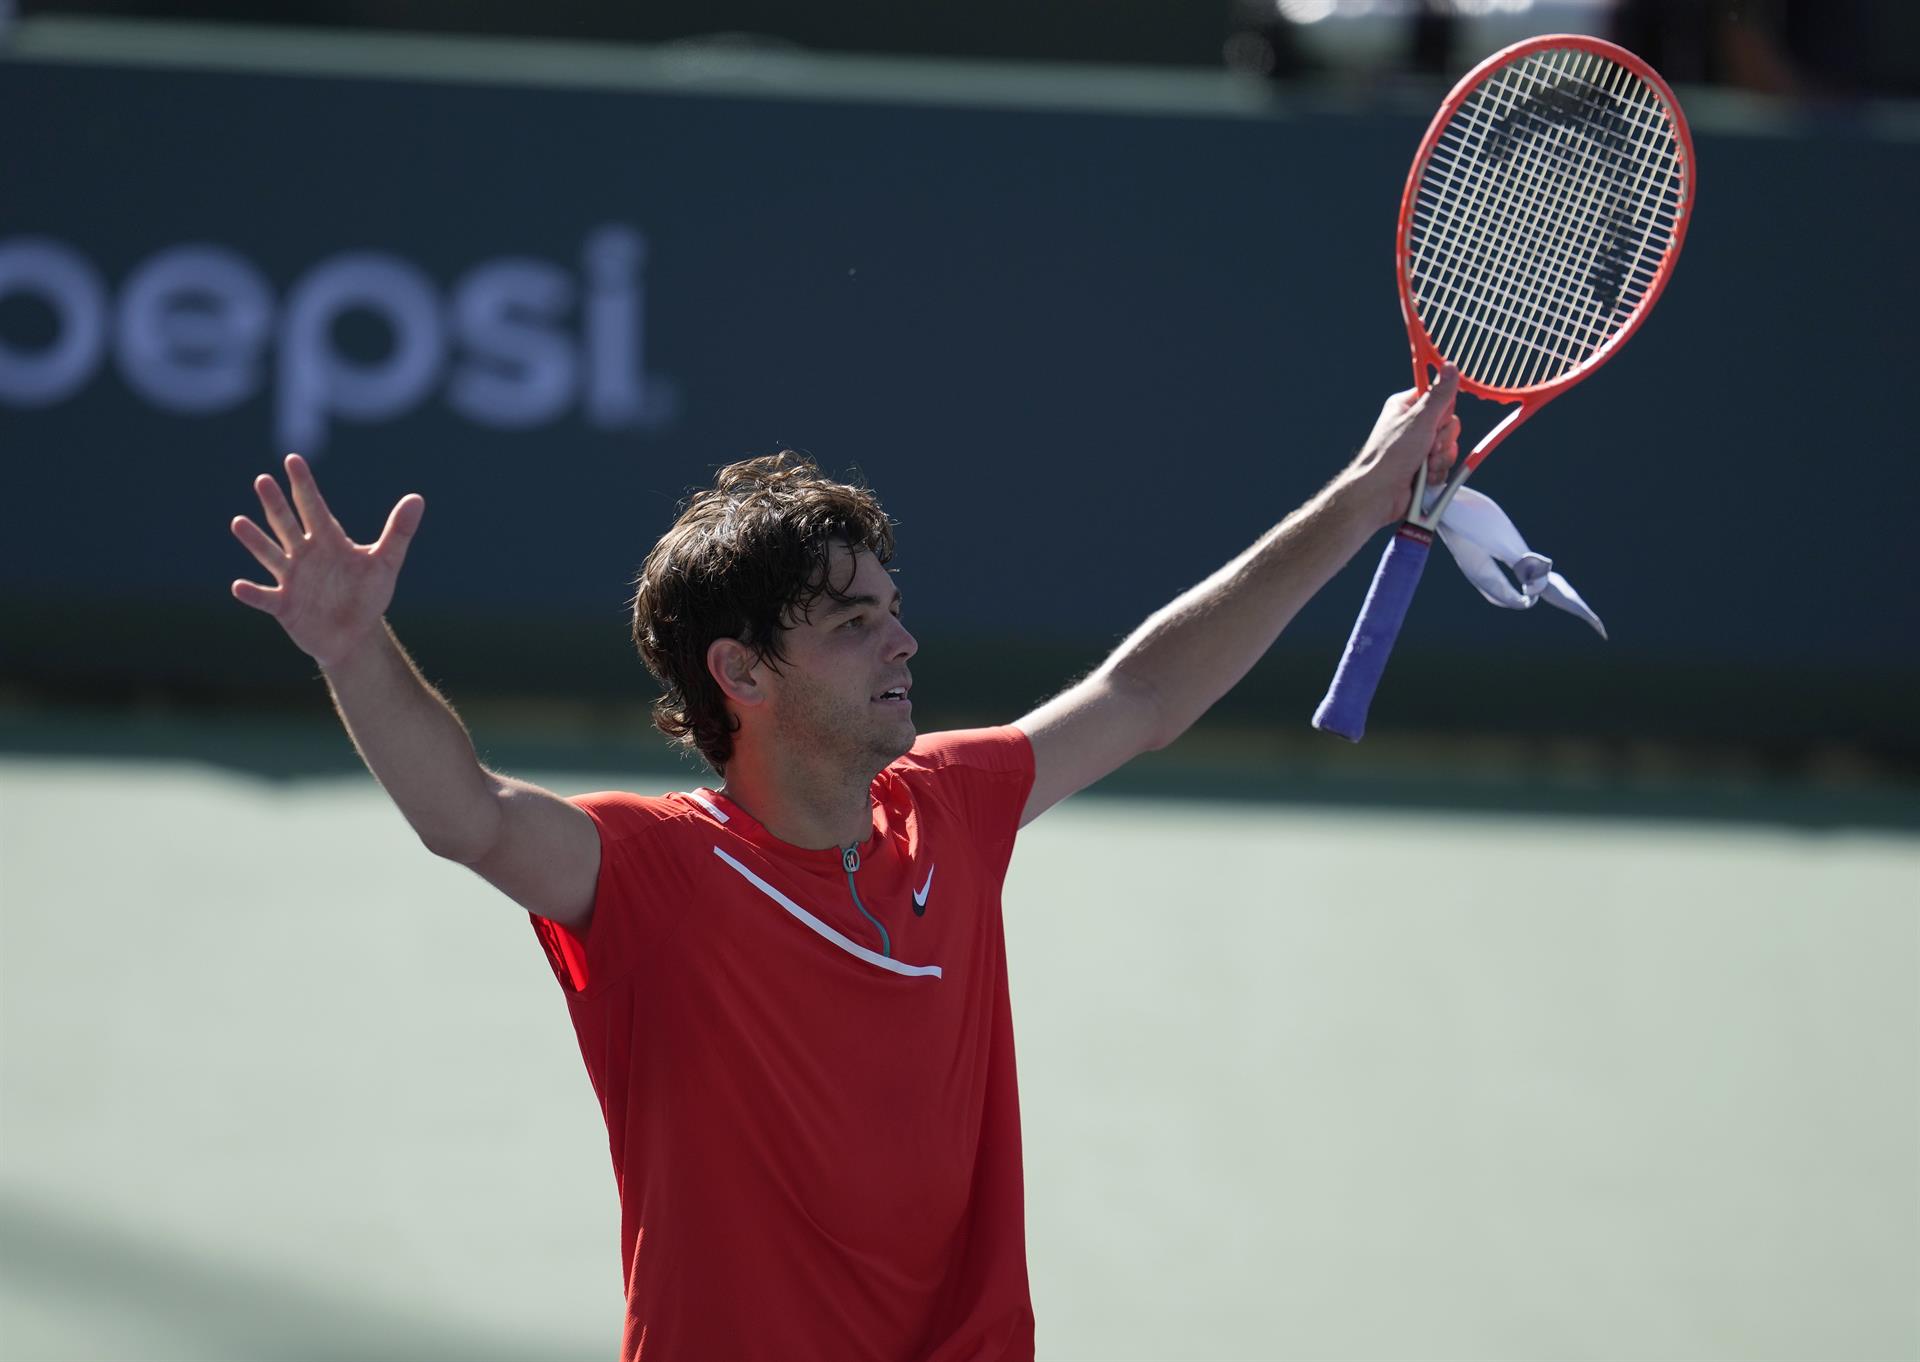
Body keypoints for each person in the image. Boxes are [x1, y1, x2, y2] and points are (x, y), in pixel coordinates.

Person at [228, 367, 1461, 1361]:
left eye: (891, 606)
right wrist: (353, 650)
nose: (904, 640)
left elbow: (1140, 691)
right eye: (853, 623)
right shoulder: (657, 873)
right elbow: (473, 817)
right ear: (742, 676)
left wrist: (1361, 494)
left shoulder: (951, 812)